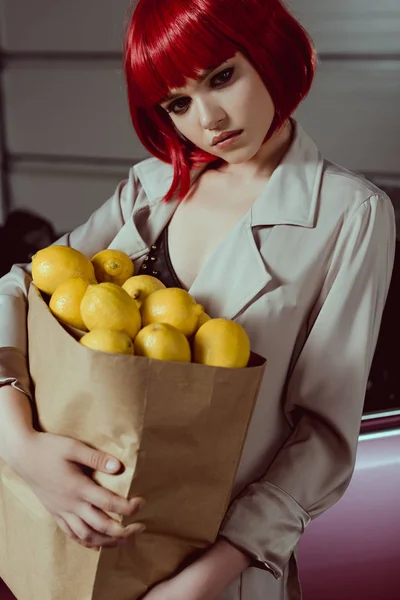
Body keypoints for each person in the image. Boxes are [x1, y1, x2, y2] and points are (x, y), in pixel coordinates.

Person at [0, 0, 396, 598]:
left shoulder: (350, 213)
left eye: (222, 77)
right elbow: (20, 286)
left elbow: (324, 438)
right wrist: (19, 443)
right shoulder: (151, 184)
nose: (208, 119)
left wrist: (200, 582)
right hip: (69, 541)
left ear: (268, 54)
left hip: (214, 573)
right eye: (177, 102)